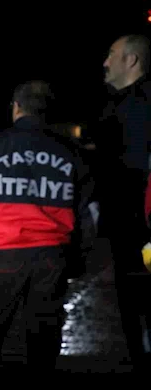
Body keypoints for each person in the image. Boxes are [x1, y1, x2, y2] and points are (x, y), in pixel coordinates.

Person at [0, 80, 96, 375]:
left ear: (16, 108)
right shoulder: (74, 154)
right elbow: (90, 215)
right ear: (48, 113)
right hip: (52, 260)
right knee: (42, 345)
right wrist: (78, 259)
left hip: (2, 258)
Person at [92, 33, 151, 369]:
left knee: (137, 302)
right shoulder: (117, 104)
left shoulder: (136, 104)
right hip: (128, 223)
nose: (105, 62)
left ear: (131, 60)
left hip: (138, 224)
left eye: (111, 54)